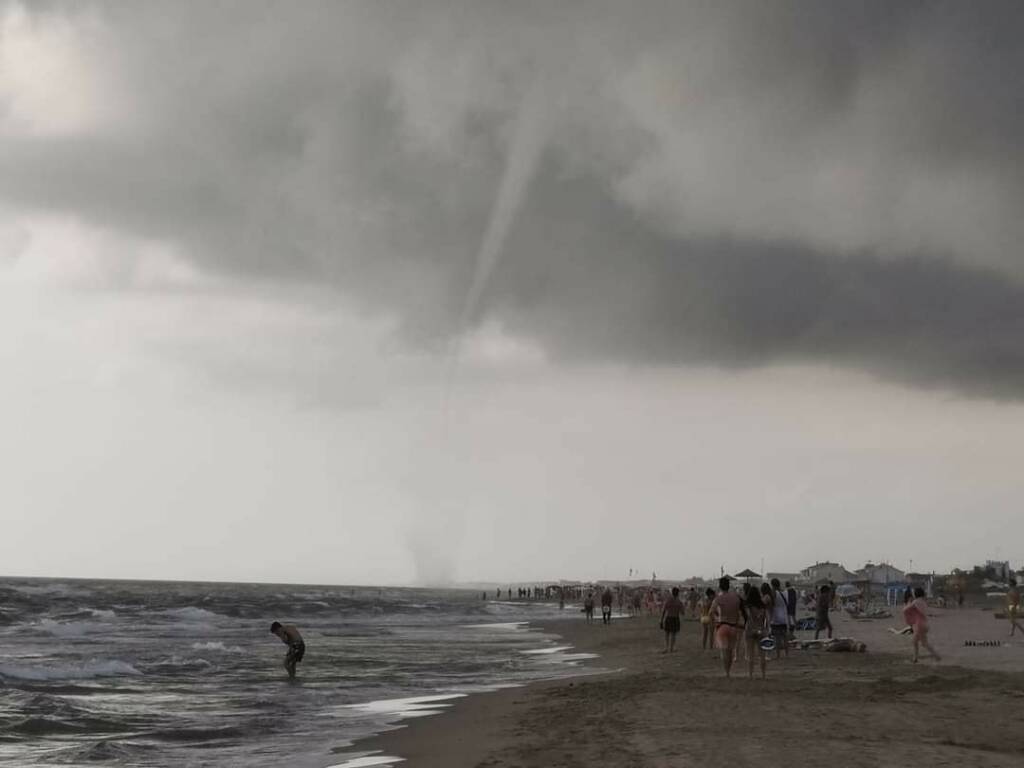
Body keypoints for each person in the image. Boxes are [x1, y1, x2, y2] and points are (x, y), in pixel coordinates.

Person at [710, 577, 746, 678]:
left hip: (723, 625)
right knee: (730, 650)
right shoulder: (736, 597)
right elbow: (741, 611)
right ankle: (729, 670)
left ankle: (726, 672)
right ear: (729, 585)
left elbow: (711, 612)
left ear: (720, 586)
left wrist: (717, 618)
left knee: (724, 650)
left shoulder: (718, 598)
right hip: (733, 626)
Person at [903, 587, 940, 663]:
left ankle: (936, 656)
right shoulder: (923, 601)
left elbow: (905, 610)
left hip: (920, 625)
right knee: (916, 641)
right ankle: (915, 658)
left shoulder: (916, 602)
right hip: (924, 624)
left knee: (923, 643)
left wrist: (909, 602)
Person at [743, 587, 769, 679]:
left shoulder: (748, 606)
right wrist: (766, 629)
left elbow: (748, 618)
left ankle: (750, 675)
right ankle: (763, 675)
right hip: (761, 630)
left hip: (750, 630)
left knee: (751, 654)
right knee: (762, 654)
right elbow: (767, 619)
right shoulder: (763, 606)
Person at [660, 586, 685, 653]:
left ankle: (666, 647)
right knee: (673, 634)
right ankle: (672, 648)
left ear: (672, 592)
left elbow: (664, 611)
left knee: (667, 633)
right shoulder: (679, 602)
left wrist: (661, 620)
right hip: (675, 618)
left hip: (668, 617)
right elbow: (682, 613)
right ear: (678, 593)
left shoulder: (668, 600)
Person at [769, 578, 790, 659]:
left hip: (776, 617)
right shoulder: (785, 592)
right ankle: (787, 654)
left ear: (772, 585)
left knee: (777, 638)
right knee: (785, 637)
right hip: (784, 617)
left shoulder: (774, 592)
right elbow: (787, 603)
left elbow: (772, 605)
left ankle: (778, 655)